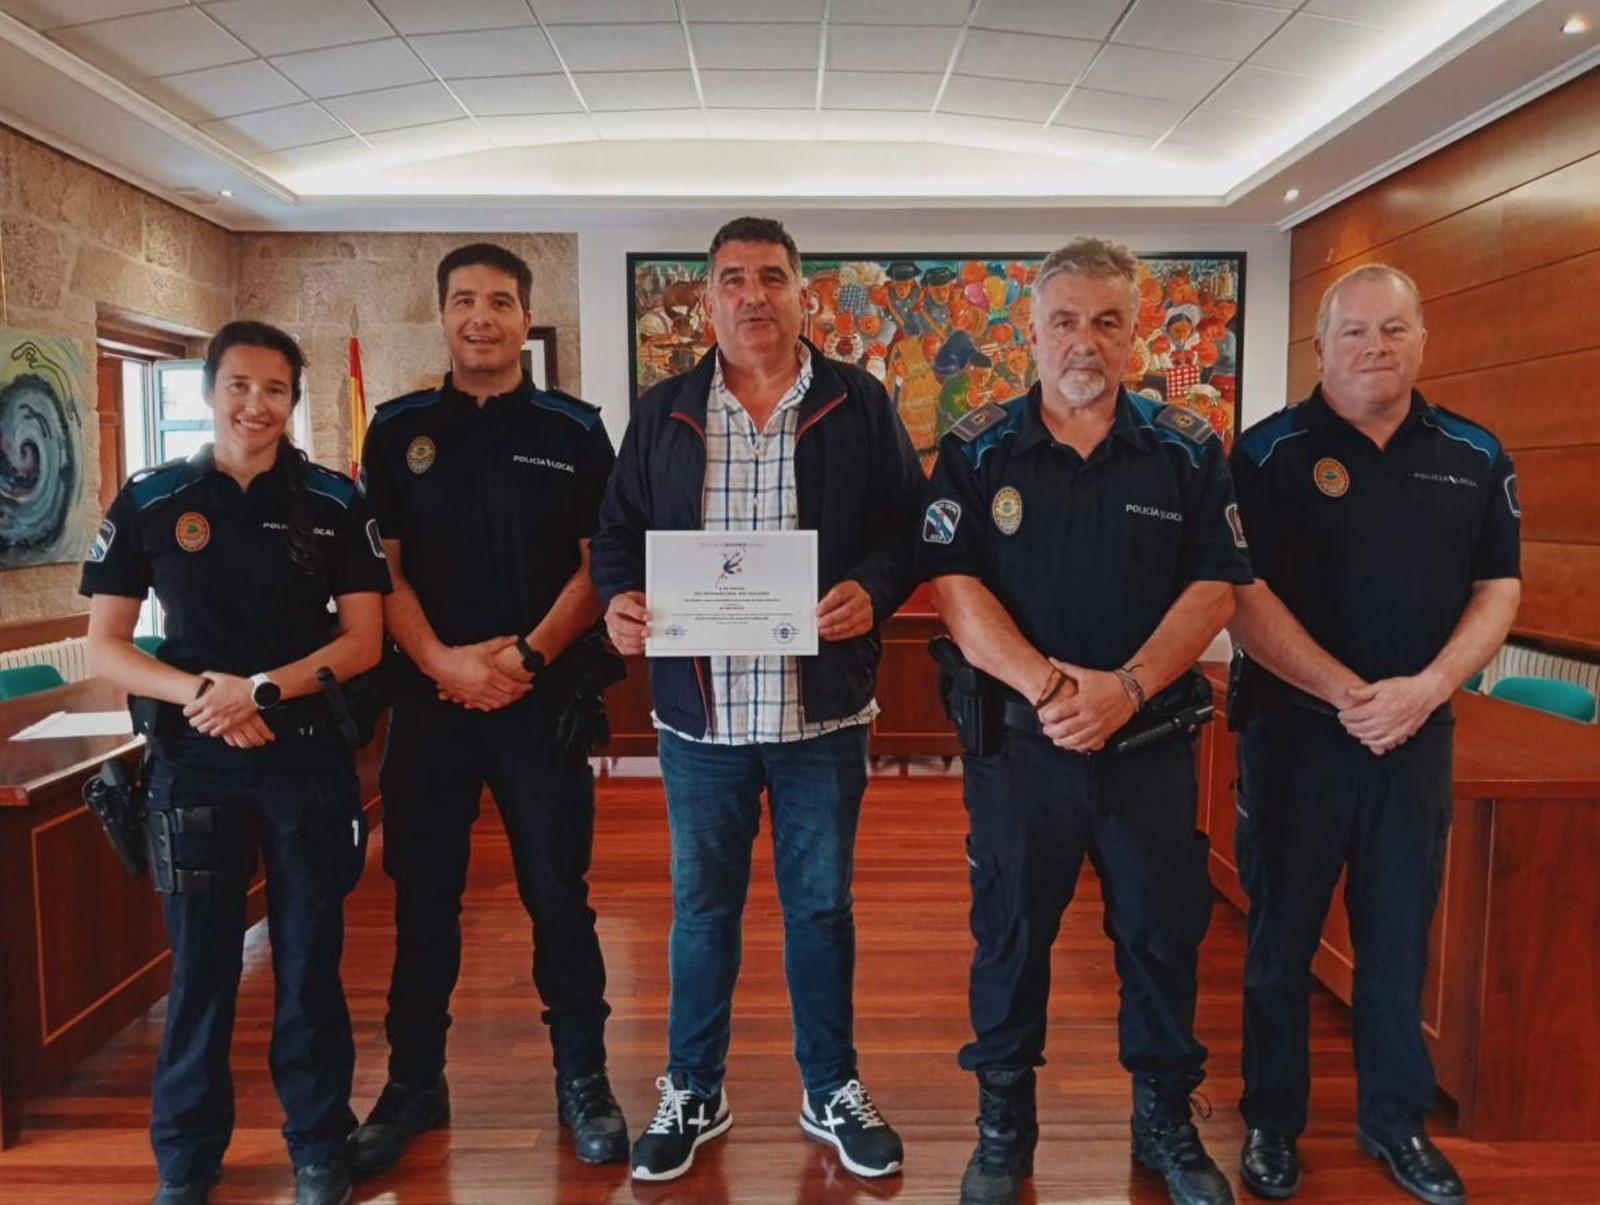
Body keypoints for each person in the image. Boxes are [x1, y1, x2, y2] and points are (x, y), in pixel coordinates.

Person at [591, 216, 925, 1183]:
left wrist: (875, 586)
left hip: (819, 713)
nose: (754, 295)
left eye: (772, 277)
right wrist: (618, 597)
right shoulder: (665, 410)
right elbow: (617, 531)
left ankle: (831, 1086)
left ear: (802, 293)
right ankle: (694, 1085)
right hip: (700, 718)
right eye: (733, 278)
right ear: (707, 299)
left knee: (820, 908)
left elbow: (908, 527)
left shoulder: (860, 403)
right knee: (703, 909)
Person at [918, 236, 1250, 1205]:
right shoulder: (977, 446)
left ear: (1135, 330)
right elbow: (954, 587)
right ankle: (1002, 1123)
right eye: (1064, 318)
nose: (1084, 339)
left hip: (1147, 746)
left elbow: (1217, 587)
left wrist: (1128, 688)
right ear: (1030, 331)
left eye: (1107, 319)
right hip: (1023, 751)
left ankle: (1163, 1119)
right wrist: (1058, 692)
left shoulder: (1187, 449)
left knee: (1158, 930)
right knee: (1012, 931)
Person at [1227, 264, 1520, 1204]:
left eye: (1394, 330)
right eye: (1355, 332)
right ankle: (1272, 1121)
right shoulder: (1265, 454)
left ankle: (1395, 1121)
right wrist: (1350, 691)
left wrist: (1428, 689)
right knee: (1281, 941)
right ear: (1321, 346)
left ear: (1423, 339)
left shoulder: (1475, 453)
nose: (1374, 349)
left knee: (1398, 941)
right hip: (1295, 737)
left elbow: (1498, 589)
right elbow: (1239, 595)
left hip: (1416, 740)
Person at [81, 321, 392, 1205]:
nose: (257, 406)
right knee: (202, 967)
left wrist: (257, 692)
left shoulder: (335, 500)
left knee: (307, 963)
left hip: (304, 757)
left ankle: (318, 1144)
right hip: (194, 763)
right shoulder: (150, 499)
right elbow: (105, 645)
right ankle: (185, 1155)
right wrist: (203, 697)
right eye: (241, 387)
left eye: (277, 391)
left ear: (296, 401)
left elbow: (364, 641)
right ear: (210, 391)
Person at [348, 243, 626, 1176]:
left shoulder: (576, 428)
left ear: (523, 318)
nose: (481, 317)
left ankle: (581, 1075)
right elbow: (375, 572)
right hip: (428, 704)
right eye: (464, 301)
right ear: (442, 315)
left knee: (559, 895)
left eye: (500, 302)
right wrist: (438, 661)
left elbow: (602, 565)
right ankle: (414, 1081)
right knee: (424, 898)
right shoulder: (394, 430)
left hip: (539, 702)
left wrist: (524, 656)